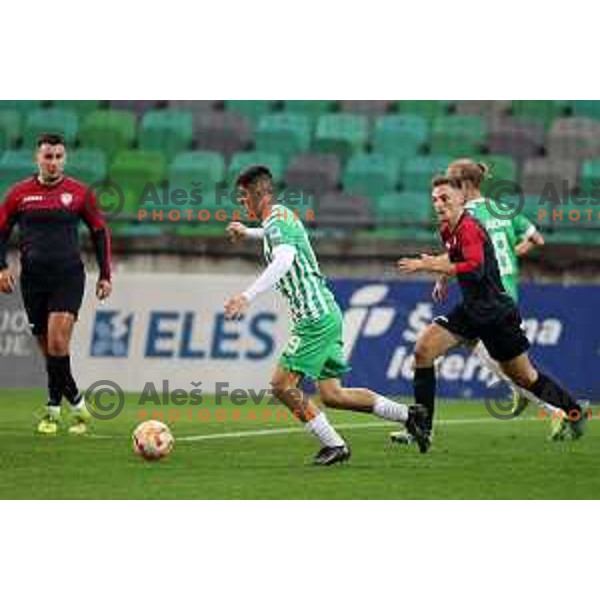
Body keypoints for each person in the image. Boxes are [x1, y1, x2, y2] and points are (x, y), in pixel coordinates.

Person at [223, 165, 429, 465]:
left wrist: (247, 295)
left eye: (244, 195)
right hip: (325, 312)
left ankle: (335, 445)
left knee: (281, 386)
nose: (241, 201)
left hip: (314, 320)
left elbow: (284, 259)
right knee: (333, 395)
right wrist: (249, 232)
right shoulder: (278, 219)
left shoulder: (278, 221)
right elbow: (276, 236)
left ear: (260, 193)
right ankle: (409, 415)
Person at [394, 174, 585, 453]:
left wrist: (429, 267)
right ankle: (423, 428)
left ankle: (574, 412)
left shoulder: (471, 227)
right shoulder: (447, 228)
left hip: (496, 314)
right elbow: (455, 259)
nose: (438, 204)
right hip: (471, 310)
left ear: (461, 198)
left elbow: (475, 268)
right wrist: (441, 274)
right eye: (434, 199)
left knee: (524, 377)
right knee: (423, 351)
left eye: (444, 198)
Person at [0, 133, 112, 435]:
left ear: (65, 159)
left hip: (68, 276)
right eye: (48, 157)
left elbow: (100, 232)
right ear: (38, 158)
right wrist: (1, 267)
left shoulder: (79, 193)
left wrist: (105, 274)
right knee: (49, 350)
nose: (53, 162)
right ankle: (76, 401)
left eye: (58, 157)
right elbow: (1, 230)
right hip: (33, 279)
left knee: (58, 342)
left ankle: (52, 410)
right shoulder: (19, 194)